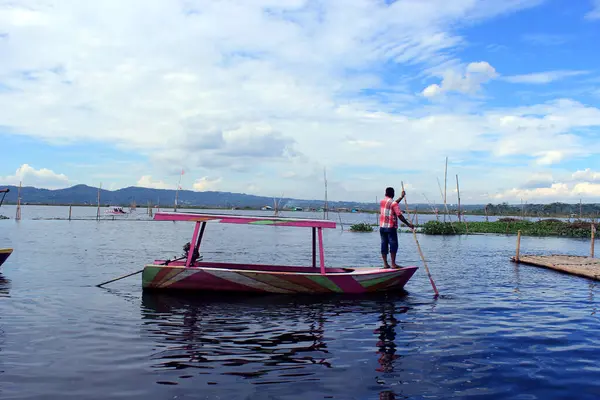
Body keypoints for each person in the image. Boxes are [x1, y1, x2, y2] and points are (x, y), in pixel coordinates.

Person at [379, 187, 414, 269]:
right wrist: (408, 224)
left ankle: (385, 264)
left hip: (382, 227)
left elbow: (392, 204)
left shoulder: (382, 202)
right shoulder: (393, 203)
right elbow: (400, 215)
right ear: (393, 194)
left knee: (384, 244)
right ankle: (393, 264)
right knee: (393, 244)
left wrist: (401, 197)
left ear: (385, 193)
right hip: (390, 227)